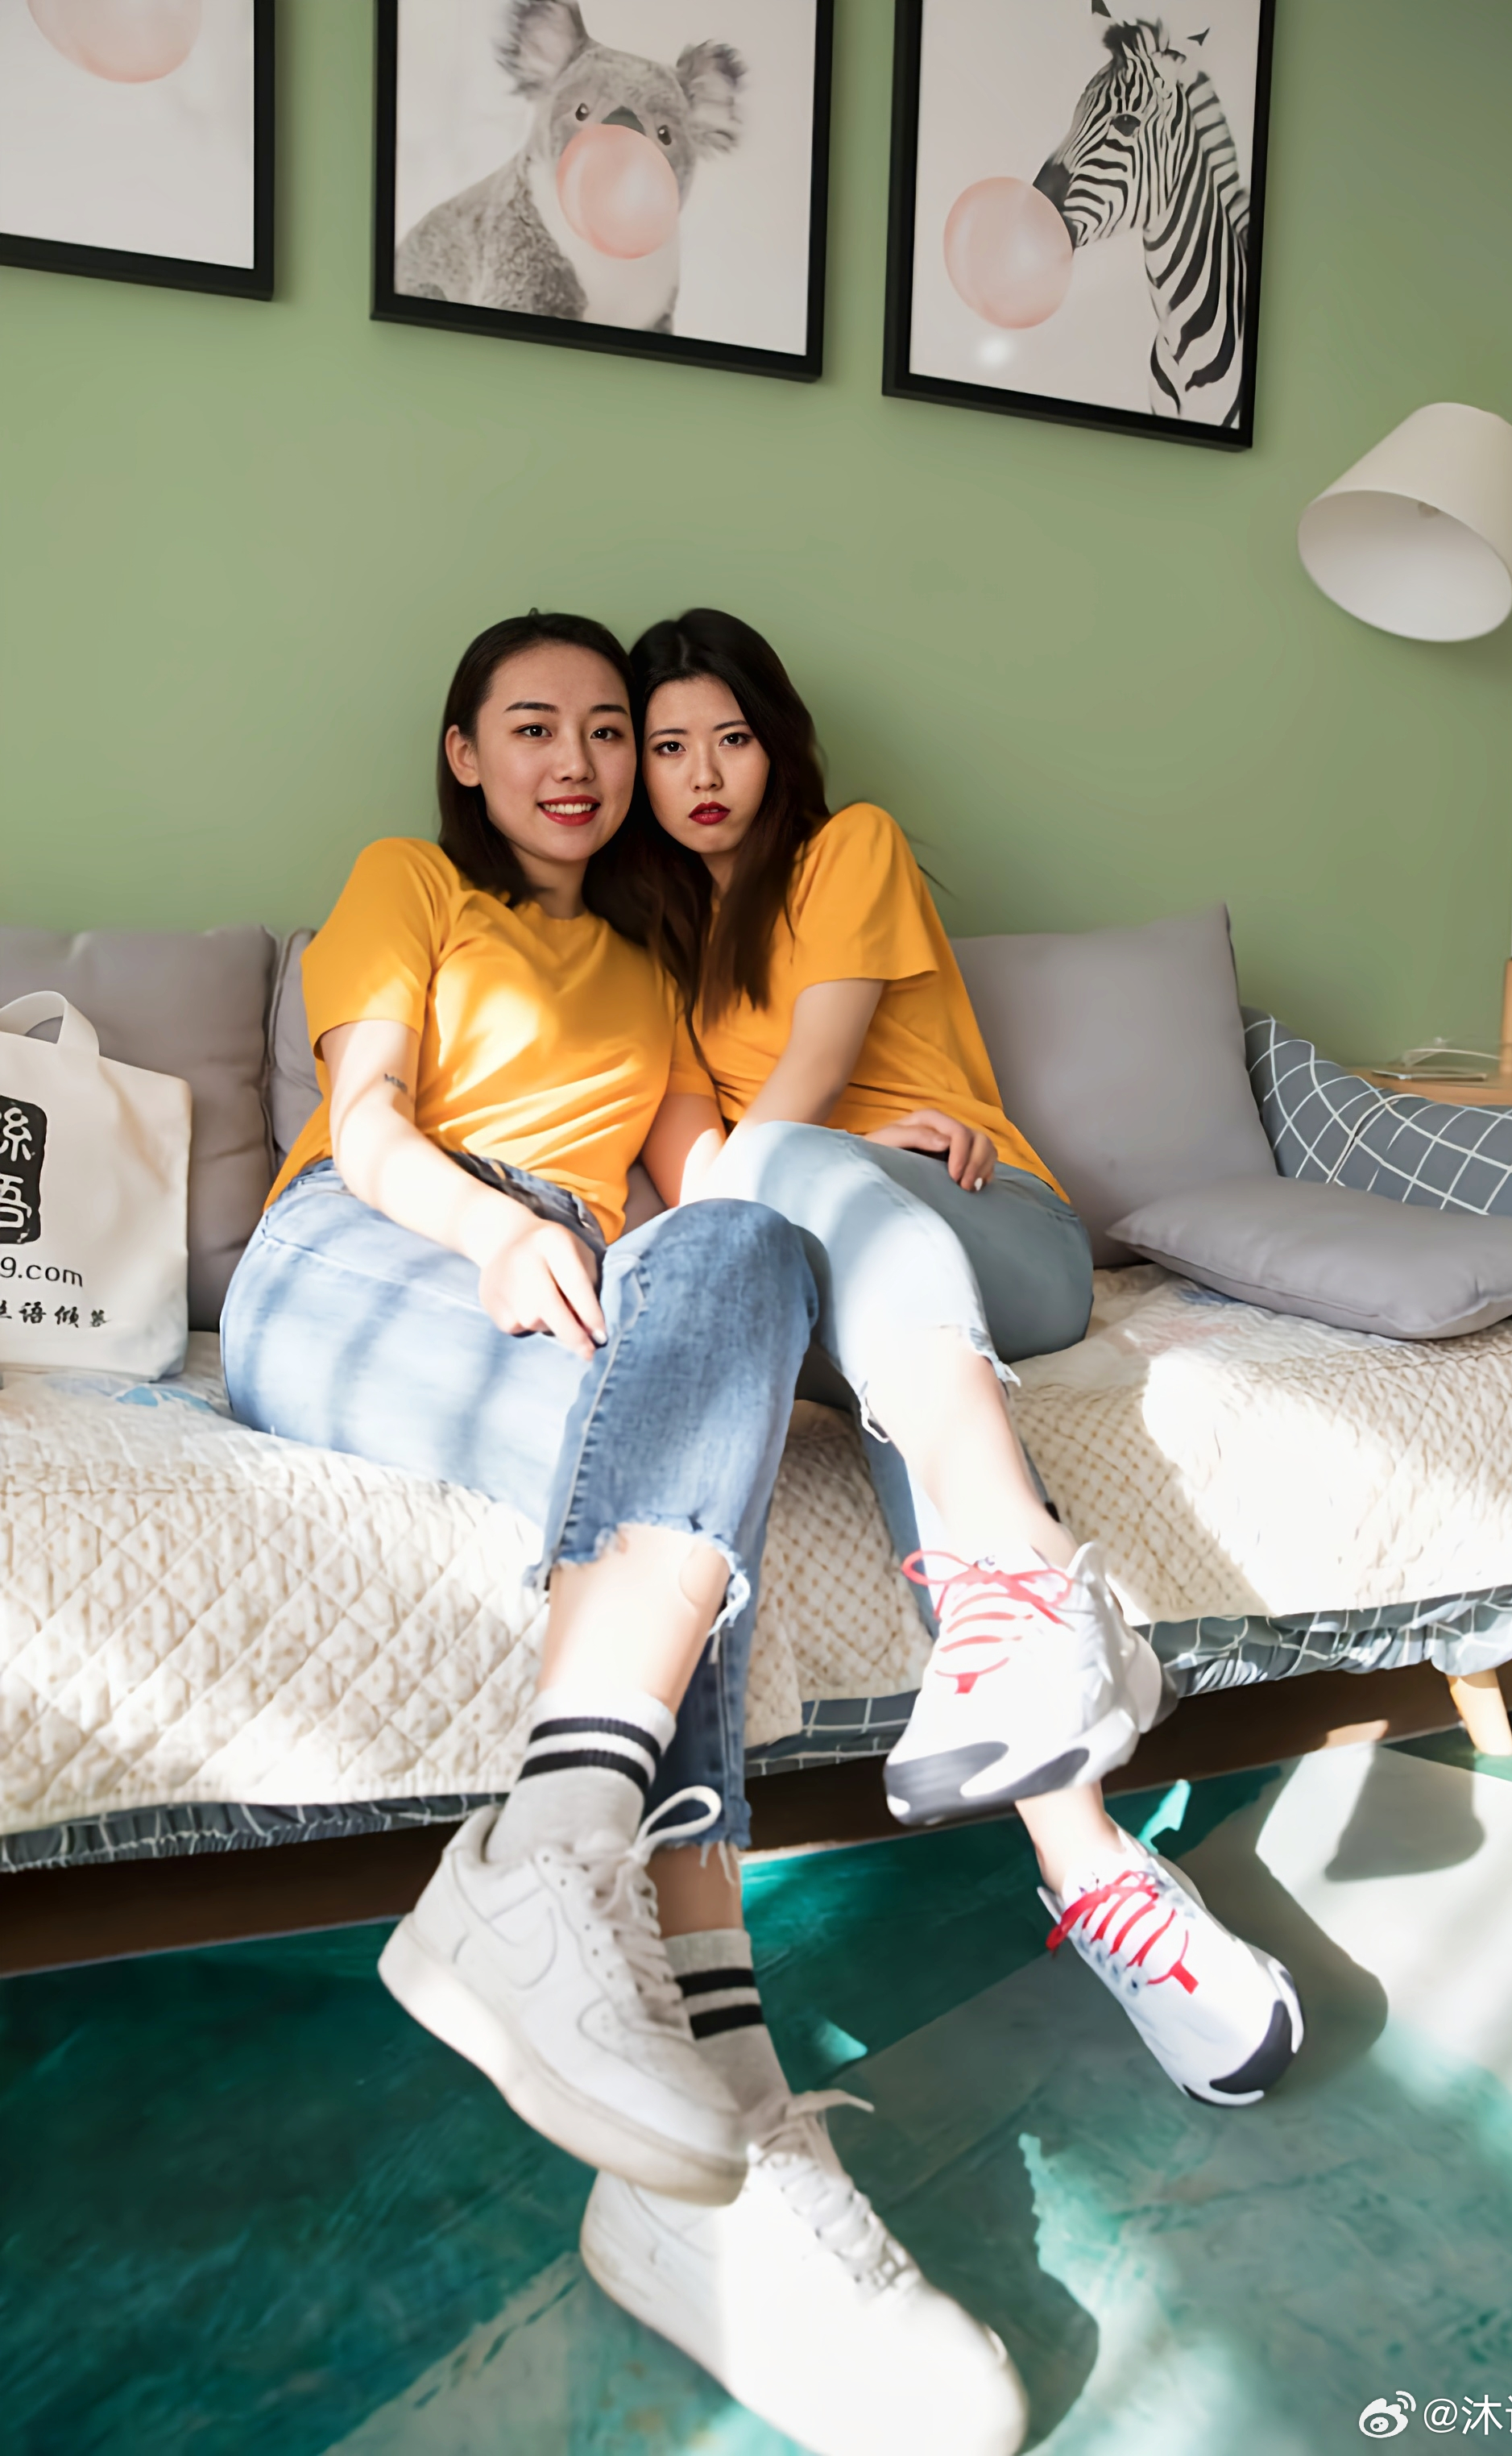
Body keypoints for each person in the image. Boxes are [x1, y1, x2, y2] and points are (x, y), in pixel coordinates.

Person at [220, 610, 1029, 2456]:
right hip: (371, 1251)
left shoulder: (661, 967)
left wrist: (877, 1168)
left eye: (607, 730)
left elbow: (713, 1191)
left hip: (581, 1276)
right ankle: (725, 2119)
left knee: (720, 1330)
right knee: (686, 1435)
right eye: (533, 726)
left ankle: (562, 1867)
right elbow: (364, 1121)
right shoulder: (410, 884)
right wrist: (494, 1231)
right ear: (464, 753)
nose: (578, 761)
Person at [626, 606, 1303, 2118]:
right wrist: (822, 1158)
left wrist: (837, 1149)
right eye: (669, 748)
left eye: (730, 738)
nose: (703, 774)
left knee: (815, 1211)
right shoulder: (649, 961)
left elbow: (794, 1100)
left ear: (779, 747)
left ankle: (1038, 1622)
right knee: (862, 1341)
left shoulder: (848, 850)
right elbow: (703, 1188)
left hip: (997, 1233)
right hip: (849, 1281)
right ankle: (1091, 1852)